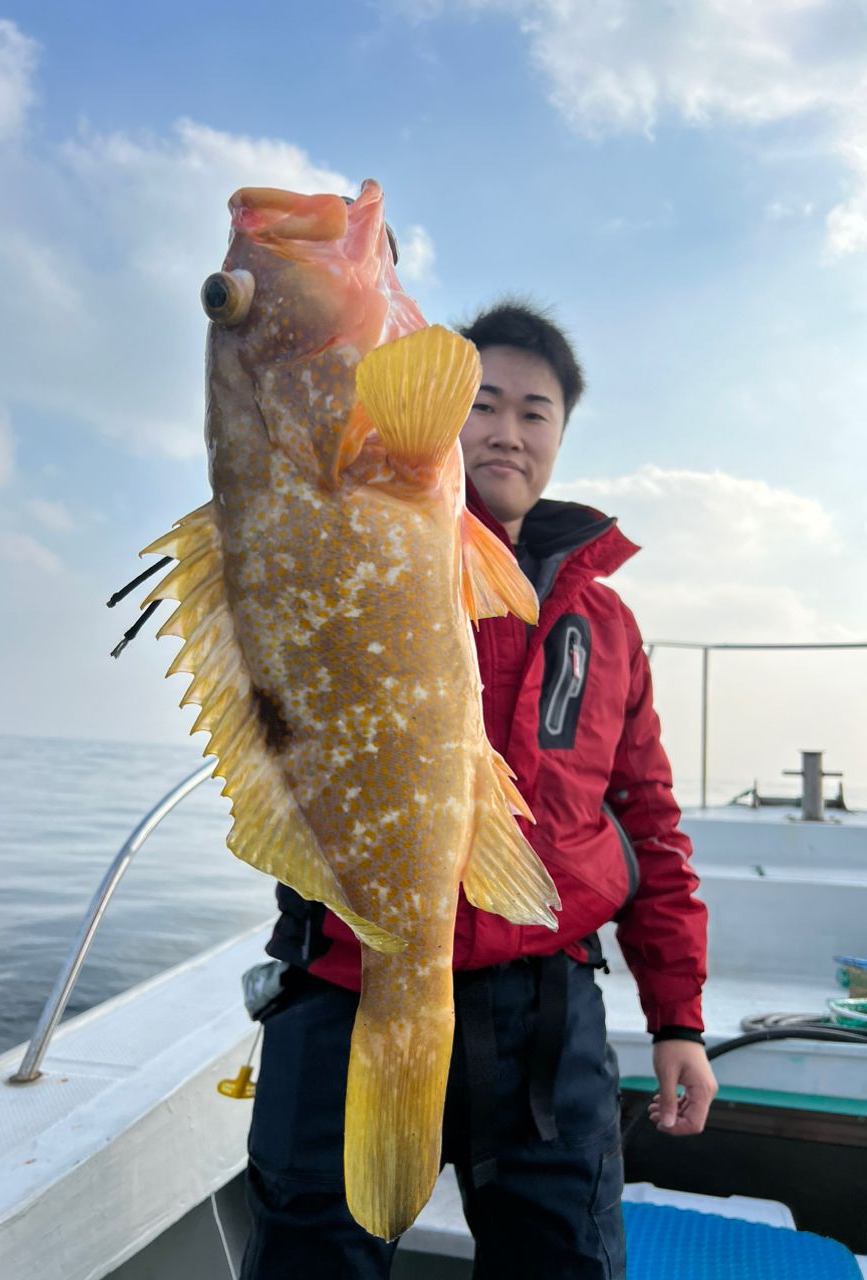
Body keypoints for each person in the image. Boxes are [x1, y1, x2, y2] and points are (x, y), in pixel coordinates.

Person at [239, 301, 716, 1280]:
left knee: (564, 1259)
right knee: (312, 1255)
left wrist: (677, 1017)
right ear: (435, 415)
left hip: (543, 1011)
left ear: (561, 438)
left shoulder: (608, 623)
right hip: (349, 981)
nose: (506, 429)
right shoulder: (362, 539)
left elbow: (651, 825)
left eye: (534, 412)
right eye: (482, 402)